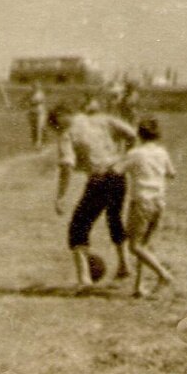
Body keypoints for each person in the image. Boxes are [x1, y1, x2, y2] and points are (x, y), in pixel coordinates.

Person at [51, 103, 138, 288]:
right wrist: (124, 157)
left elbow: (66, 166)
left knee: (78, 226)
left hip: (99, 179)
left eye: (56, 125)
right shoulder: (102, 119)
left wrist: (61, 196)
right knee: (114, 218)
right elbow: (131, 134)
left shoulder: (67, 133)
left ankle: (84, 279)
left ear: (60, 118)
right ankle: (124, 266)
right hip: (118, 175)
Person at [113, 116, 176, 298]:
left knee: (134, 246)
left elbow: (117, 170)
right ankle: (139, 287)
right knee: (144, 245)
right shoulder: (162, 152)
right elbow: (172, 173)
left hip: (142, 202)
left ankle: (163, 275)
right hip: (159, 202)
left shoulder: (136, 153)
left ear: (139, 135)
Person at [25, 82, 48, 149]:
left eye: (36, 87)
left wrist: (30, 102)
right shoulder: (30, 94)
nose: (34, 88)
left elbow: (38, 101)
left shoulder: (40, 94)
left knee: (39, 127)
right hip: (32, 112)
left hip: (40, 112)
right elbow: (26, 101)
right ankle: (35, 142)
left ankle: (39, 142)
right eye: (34, 87)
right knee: (33, 128)